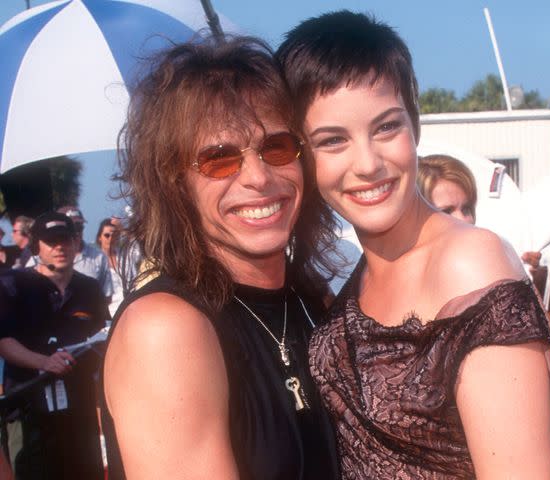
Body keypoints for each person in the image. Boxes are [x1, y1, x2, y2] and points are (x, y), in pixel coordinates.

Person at [277, 11, 550, 478]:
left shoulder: (470, 264)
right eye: (333, 141)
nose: (367, 163)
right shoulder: (358, 271)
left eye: (386, 127)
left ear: (415, 127)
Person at [101, 36, 340, 480]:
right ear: (174, 182)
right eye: (219, 158)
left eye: (277, 147)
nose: (258, 177)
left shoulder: (310, 300)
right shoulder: (167, 330)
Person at [417, 154, 550, 404]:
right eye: (447, 210)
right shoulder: (401, 289)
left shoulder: (499, 277)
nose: (465, 219)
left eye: (467, 208)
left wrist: (531, 296)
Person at [0, 212, 108, 480]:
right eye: (51, 241)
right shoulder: (14, 285)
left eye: (66, 240)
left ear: (75, 243)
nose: (60, 247)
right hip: (30, 412)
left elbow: (102, 336)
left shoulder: (89, 288)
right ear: (37, 246)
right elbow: (4, 341)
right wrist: (44, 362)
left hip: (79, 412)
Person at [95, 218, 136, 317]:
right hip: (107, 314)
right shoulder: (95, 260)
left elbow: (137, 246)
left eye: (115, 235)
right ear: (99, 237)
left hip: (130, 310)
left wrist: (122, 229)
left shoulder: (126, 256)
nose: (110, 239)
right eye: (107, 235)